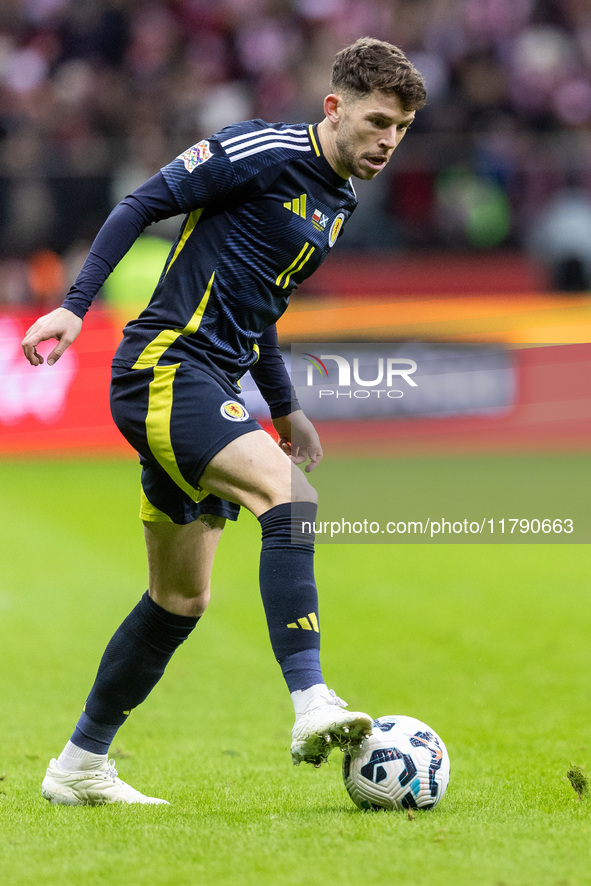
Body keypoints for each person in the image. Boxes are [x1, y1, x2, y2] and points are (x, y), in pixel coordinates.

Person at [22, 37, 426, 806]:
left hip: (210, 380)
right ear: (333, 108)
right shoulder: (262, 148)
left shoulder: (336, 200)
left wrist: (288, 409)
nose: (387, 142)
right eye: (377, 122)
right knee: (291, 503)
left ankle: (79, 766)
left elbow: (259, 308)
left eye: (401, 129)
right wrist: (74, 308)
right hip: (165, 370)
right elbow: (139, 204)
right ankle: (311, 702)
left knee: (179, 600)